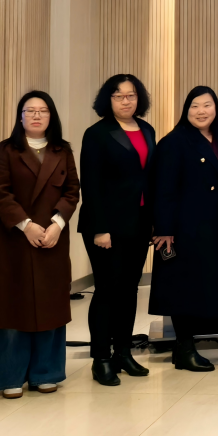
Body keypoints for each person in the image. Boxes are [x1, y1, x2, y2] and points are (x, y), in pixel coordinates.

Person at [0, 91, 80, 397]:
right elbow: (1, 193)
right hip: (16, 239)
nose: (37, 115)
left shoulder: (62, 150)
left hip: (52, 239)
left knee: (51, 305)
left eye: (43, 111)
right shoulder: (6, 150)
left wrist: (58, 224)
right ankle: (11, 376)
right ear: (21, 116)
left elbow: (72, 191)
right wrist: (26, 225)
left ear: (51, 116)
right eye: (30, 110)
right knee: (14, 308)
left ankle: (46, 372)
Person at [151, 86, 218, 372]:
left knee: (205, 286)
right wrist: (164, 228)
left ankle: (184, 348)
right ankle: (185, 348)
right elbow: (162, 189)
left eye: (207, 105)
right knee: (183, 288)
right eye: (194, 106)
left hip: (216, 226)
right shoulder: (174, 141)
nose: (201, 112)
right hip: (184, 228)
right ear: (186, 110)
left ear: (216, 108)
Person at [79, 74, 156, 386]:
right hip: (106, 226)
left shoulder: (147, 130)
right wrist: (100, 228)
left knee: (129, 290)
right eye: (119, 96)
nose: (126, 101)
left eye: (131, 95)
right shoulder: (97, 134)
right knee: (107, 290)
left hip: (138, 223)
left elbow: (149, 178)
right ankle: (101, 358)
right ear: (107, 100)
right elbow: (91, 184)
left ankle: (123, 352)